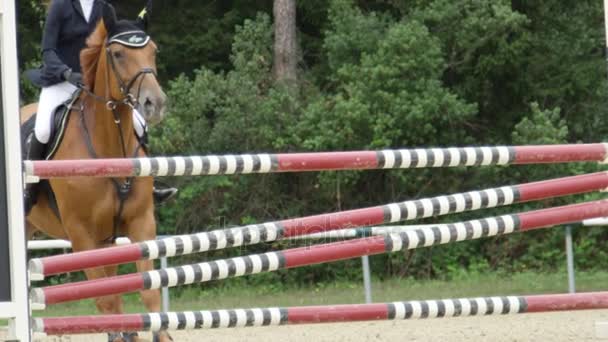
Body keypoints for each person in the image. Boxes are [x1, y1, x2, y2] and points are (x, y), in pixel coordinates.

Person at [24, 0, 177, 214]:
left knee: (140, 124)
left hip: (93, 85)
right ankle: (30, 189)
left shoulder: (104, 9)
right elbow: (48, 51)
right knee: (42, 129)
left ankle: (147, 183)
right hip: (60, 81)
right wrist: (67, 73)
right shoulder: (61, 7)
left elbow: (112, 49)